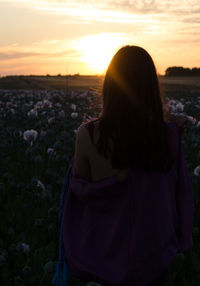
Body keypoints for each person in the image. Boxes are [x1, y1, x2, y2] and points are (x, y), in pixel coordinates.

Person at [62, 45, 194, 286]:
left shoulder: (88, 135)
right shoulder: (169, 137)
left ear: (110, 85)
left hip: (100, 262)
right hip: (154, 262)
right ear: (151, 87)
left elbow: (80, 195)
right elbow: (180, 197)